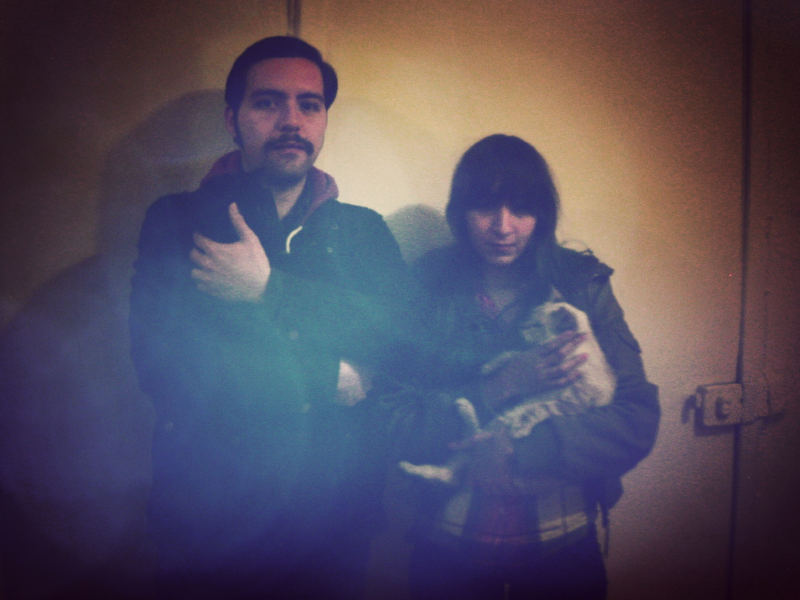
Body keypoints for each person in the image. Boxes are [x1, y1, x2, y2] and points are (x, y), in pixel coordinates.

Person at [129, 36, 410, 599]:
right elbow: (170, 368)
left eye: (310, 105)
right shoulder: (177, 221)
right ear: (232, 118)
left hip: (334, 526)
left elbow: (395, 344)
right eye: (267, 102)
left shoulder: (364, 231)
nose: (292, 121)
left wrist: (267, 291)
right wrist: (327, 376)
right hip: (209, 524)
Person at [387, 134, 659, 599]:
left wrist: (519, 451)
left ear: (543, 214)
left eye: (522, 207)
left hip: (562, 549)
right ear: (460, 211)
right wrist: (503, 383)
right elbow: (391, 419)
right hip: (448, 547)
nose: (503, 226)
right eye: (485, 206)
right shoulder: (426, 286)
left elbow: (636, 418)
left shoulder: (581, 285)